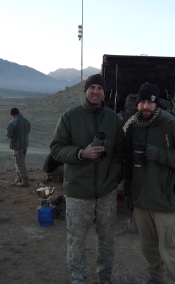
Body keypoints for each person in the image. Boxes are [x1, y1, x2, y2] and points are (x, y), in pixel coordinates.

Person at [50, 74, 125, 284]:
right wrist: (81, 154)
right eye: (92, 87)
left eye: (100, 88)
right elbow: (56, 149)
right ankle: (78, 277)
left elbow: (120, 151)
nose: (96, 91)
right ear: (85, 91)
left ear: (104, 92)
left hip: (106, 192)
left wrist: (115, 176)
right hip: (78, 192)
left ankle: (105, 275)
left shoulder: (113, 119)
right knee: (76, 239)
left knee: (107, 238)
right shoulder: (70, 117)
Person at [124, 82, 175, 284]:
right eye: (142, 102)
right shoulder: (132, 127)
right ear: (137, 104)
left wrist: (158, 154)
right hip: (141, 202)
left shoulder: (169, 125)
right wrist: (129, 194)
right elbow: (127, 164)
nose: (146, 106)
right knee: (149, 250)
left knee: (171, 251)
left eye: (150, 102)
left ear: (157, 105)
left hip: (165, 201)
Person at [6, 108, 31, 187]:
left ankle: (25, 180)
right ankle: (19, 178)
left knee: (20, 163)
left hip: (17, 145)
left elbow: (8, 134)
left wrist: (15, 137)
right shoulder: (26, 121)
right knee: (20, 162)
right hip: (25, 144)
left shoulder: (13, 122)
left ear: (13, 115)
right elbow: (28, 131)